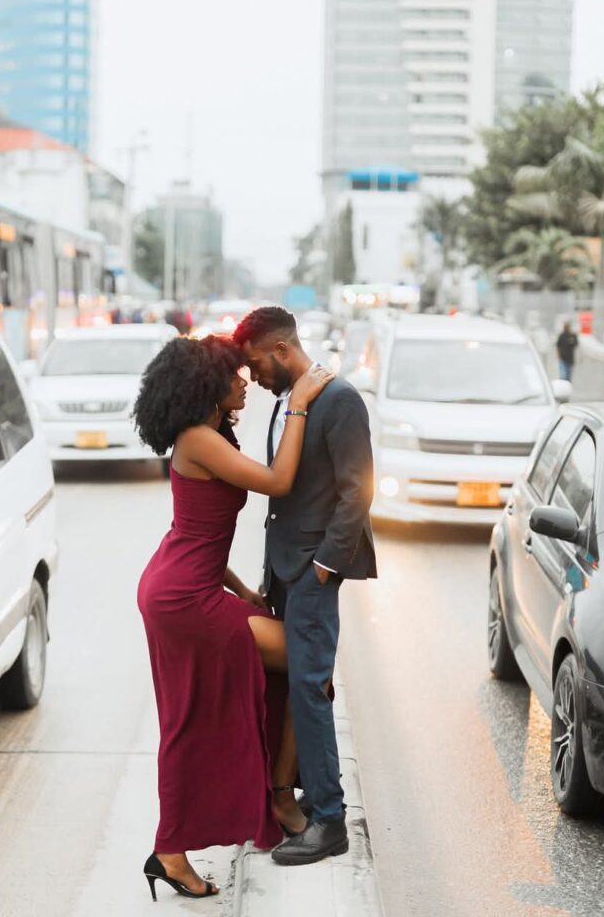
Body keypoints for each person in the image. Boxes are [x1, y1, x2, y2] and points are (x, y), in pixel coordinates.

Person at [134, 335, 333, 901]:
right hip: (182, 596)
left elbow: (201, 533)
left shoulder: (211, 434)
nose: (245, 380)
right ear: (207, 384)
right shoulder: (198, 438)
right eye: (235, 374)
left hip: (188, 583)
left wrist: (246, 591)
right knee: (292, 667)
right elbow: (278, 481)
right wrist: (297, 404)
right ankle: (193, 839)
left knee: (274, 678)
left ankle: (272, 794)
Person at [233, 307, 376, 867]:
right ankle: (296, 799)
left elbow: (357, 490)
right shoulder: (285, 404)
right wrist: (278, 576)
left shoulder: (339, 400)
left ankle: (329, 819)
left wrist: (324, 566)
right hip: (287, 572)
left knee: (311, 691)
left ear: (281, 351)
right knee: (300, 689)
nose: (253, 377)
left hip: (313, 572)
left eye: (255, 364)